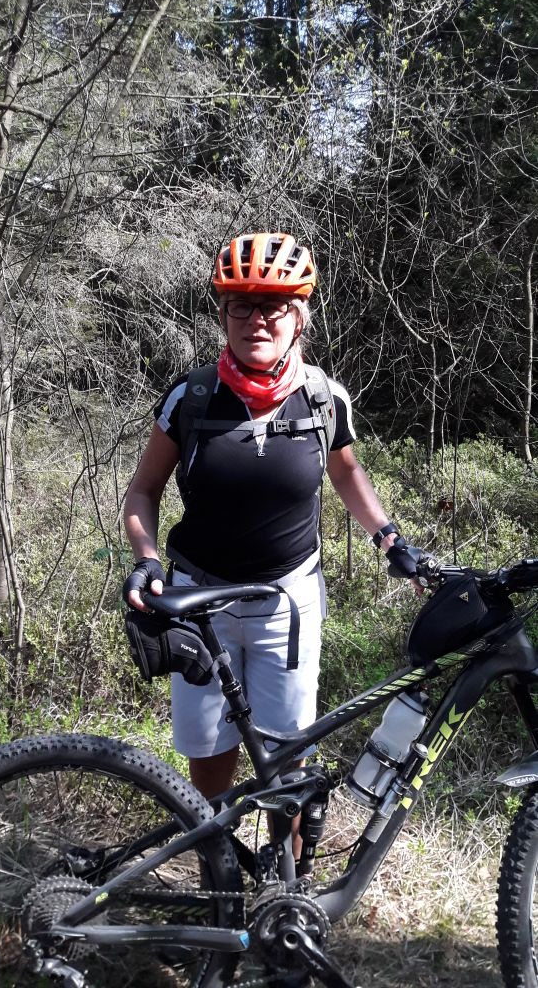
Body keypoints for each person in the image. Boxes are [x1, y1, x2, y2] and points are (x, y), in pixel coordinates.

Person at [123, 231, 419, 802]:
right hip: (198, 600)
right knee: (209, 755)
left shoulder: (323, 397)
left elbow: (346, 474)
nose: (256, 320)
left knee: (288, 762)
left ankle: (287, 859)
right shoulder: (191, 397)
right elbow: (143, 490)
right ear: (222, 314)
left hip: (288, 601)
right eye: (241, 305)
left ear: (299, 318)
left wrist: (389, 538)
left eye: (274, 306)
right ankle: (216, 853)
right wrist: (147, 559)